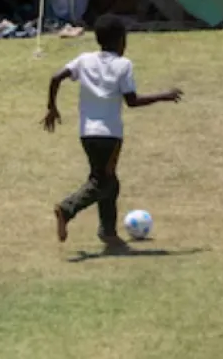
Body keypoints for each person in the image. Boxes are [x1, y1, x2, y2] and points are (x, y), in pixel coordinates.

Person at [43, 15, 183, 249]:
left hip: (87, 132)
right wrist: (164, 96)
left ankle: (108, 233)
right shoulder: (123, 65)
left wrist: (52, 108)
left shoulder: (84, 59)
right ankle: (67, 210)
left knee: (106, 179)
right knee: (104, 182)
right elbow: (132, 101)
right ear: (120, 40)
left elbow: (56, 77)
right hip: (110, 133)